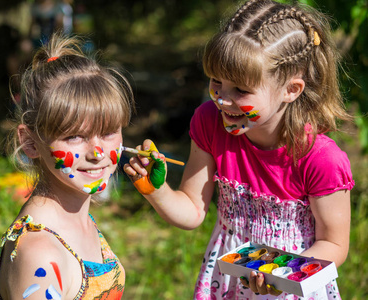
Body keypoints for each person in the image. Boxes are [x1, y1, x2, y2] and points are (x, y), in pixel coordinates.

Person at [123, 0, 354, 299]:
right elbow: (192, 211)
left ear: (291, 90)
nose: (222, 98)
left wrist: (280, 274)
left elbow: (335, 245)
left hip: (292, 286)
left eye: (241, 90)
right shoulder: (209, 122)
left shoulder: (321, 159)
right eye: (216, 81)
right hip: (229, 282)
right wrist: (154, 189)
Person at [0, 34, 134, 300]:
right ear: (31, 143)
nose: (98, 152)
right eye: (74, 136)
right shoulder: (41, 256)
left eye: (108, 133)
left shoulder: (76, 217)